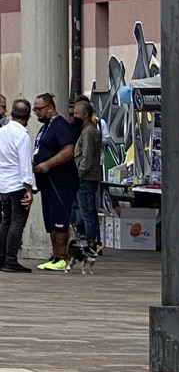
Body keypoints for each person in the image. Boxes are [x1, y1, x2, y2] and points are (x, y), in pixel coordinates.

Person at [31, 94, 78, 270]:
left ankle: (63, 257)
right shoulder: (46, 127)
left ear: (50, 107)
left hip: (61, 182)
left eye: (39, 109)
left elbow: (68, 150)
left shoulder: (60, 125)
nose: (36, 112)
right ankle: (55, 256)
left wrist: (48, 164)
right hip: (47, 182)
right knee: (50, 220)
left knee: (60, 219)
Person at [0, 99, 35, 273]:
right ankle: (11, 259)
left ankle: (2, 257)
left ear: (12, 113)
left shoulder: (2, 132)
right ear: (27, 117)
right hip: (17, 184)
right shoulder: (22, 136)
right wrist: (29, 188)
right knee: (17, 222)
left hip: (4, 184)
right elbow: (25, 165)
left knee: (5, 221)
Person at [70, 98, 103, 255]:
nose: (73, 116)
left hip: (86, 177)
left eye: (76, 113)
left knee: (87, 212)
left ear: (84, 115)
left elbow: (87, 156)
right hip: (89, 175)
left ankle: (91, 242)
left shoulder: (89, 132)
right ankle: (94, 241)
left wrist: (79, 173)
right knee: (89, 211)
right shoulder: (87, 130)